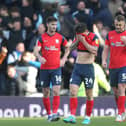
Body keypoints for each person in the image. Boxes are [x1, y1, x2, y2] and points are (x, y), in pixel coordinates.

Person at [34, 16, 70, 122]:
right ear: (47, 25)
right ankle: (49, 114)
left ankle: (54, 113)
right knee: (46, 92)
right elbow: (35, 51)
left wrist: (64, 59)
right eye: (52, 24)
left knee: (56, 90)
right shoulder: (42, 38)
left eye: (55, 24)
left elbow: (68, 47)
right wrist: (40, 57)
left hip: (56, 69)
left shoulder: (60, 37)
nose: (54, 27)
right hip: (44, 69)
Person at [63, 23, 99, 124]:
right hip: (77, 68)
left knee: (89, 94)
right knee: (73, 91)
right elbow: (70, 48)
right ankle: (72, 116)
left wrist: (83, 40)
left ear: (86, 32)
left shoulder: (93, 37)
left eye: (80, 34)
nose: (79, 36)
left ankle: (87, 117)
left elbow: (94, 50)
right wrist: (78, 40)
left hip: (88, 68)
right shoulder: (78, 37)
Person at [102, 14, 126, 122]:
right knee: (115, 91)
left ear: (124, 24)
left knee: (121, 87)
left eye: (120, 25)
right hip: (113, 66)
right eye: (116, 25)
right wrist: (103, 60)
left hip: (124, 66)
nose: (118, 27)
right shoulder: (110, 34)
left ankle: (120, 113)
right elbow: (106, 49)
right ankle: (122, 110)